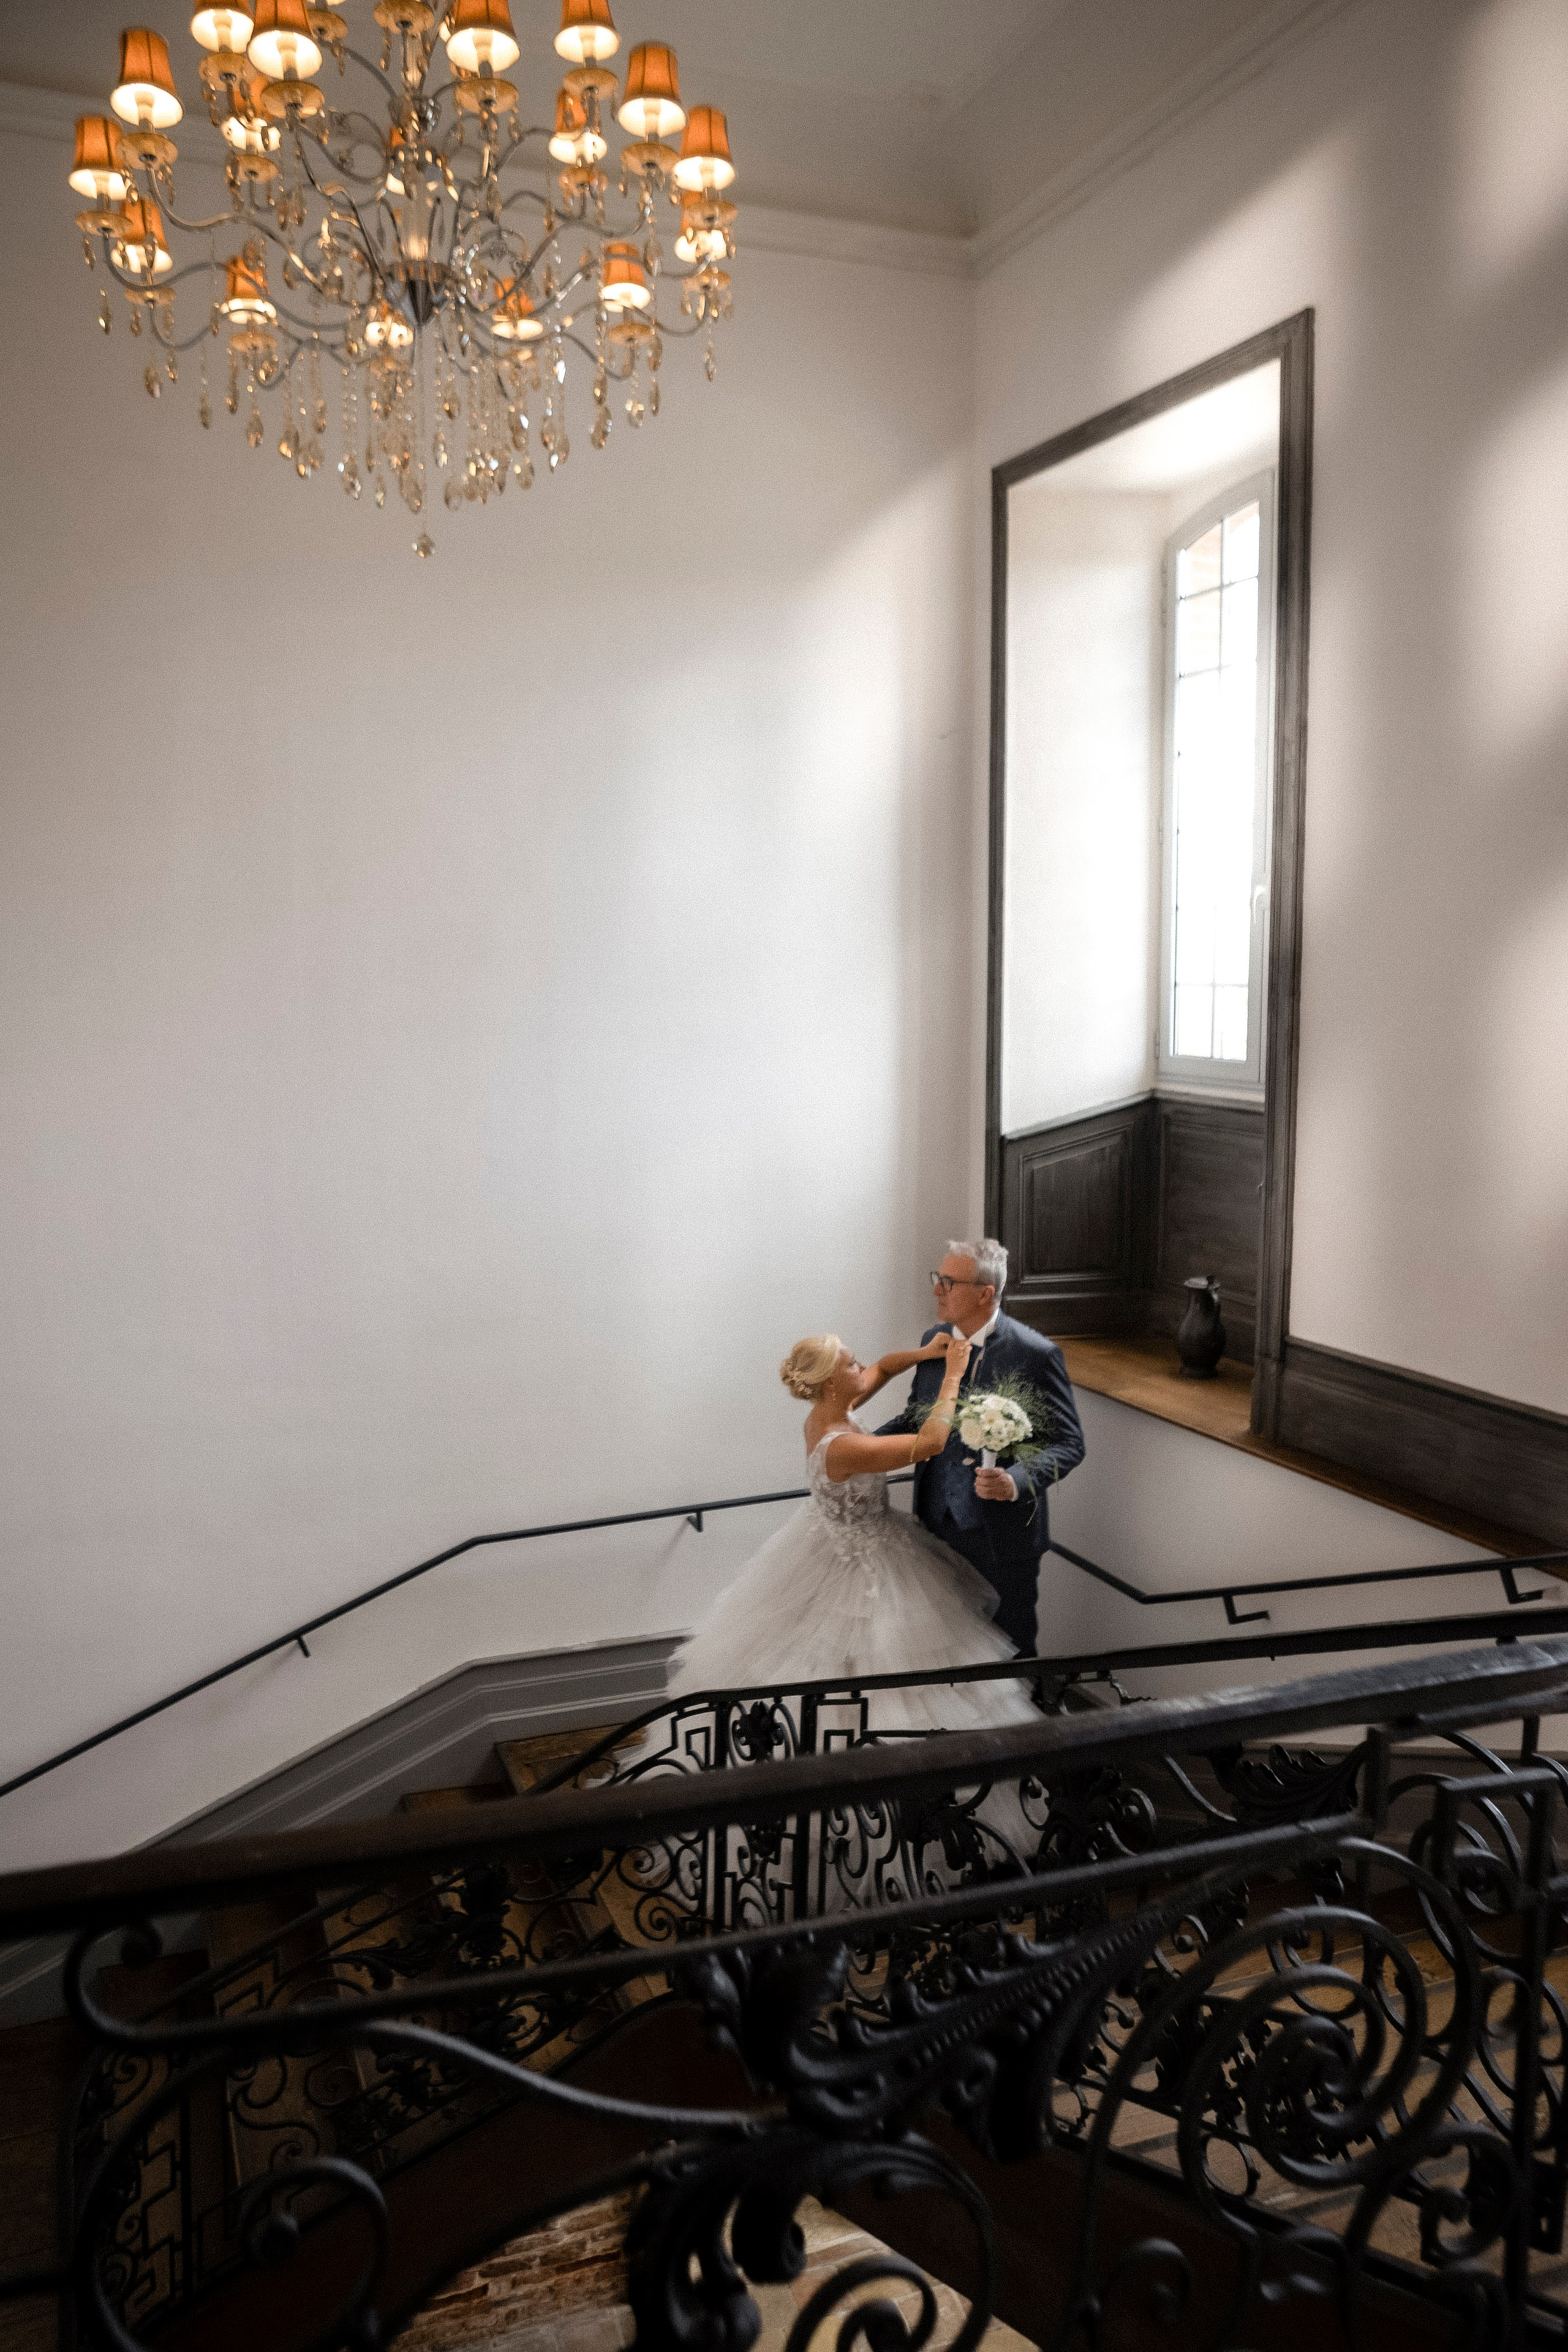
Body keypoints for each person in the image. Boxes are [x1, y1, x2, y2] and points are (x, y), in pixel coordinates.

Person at [665, 1328, 1041, 1738]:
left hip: (853, 1537)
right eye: (850, 1362)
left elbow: (882, 1368)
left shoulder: (830, 1409)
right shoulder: (839, 1445)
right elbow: (931, 1442)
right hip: (860, 1566)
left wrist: (924, 1352)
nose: (860, 1366)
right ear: (830, 1381)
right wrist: (953, 1373)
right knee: (866, 1661)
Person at [876, 1238, 1085, 1657]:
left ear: (985, 1293)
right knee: (945, 1647)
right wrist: (859, 1444)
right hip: (935, 1526)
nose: (937, 1290)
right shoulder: (934, 1340)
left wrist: (1015, 1481)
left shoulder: (1036, 1354)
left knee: (1011, 1647)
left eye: (948, 1282)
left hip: (1003, 1539)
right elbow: (919, 1417)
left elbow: (1069, 1443)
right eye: (939, 1279)